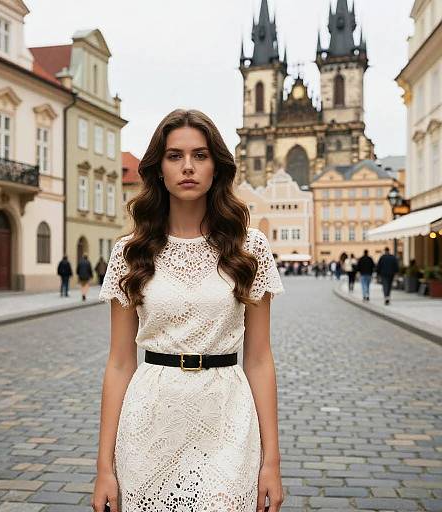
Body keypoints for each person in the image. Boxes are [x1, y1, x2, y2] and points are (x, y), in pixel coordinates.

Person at [91, 109, 285, 512]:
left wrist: (272, 463)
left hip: (228, 414)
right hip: (150, 418)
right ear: (158, 169)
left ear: (217, 166)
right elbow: (119, 363)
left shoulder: (250, 249)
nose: (188, 167)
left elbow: (261, 360)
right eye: (175, 156)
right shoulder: (131, 252)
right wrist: (104, 468)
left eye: (200, 155)